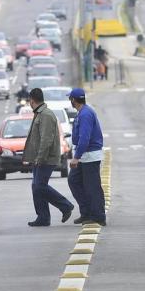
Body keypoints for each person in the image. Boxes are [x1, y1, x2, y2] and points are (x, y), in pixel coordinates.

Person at [22, 88, 74, 227]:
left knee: (39, 186)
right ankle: (43, 217)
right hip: (40, 157)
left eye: (29, 101)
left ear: (32, 100)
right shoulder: (40, 113)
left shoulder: (45, 115)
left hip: (46, 158)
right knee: (36, 186)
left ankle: (66, 206)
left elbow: (46, 139)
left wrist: (40, 157)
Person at [67, 88, 106, 226]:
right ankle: (87, 212)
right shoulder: (82, 113)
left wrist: (76, 157)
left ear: (73, 100)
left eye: (70, 99)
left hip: (89, 156)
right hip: (85, 155)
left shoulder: (85, 114)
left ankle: (99, 216)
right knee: (74, 181)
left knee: (92, 187)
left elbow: (85, 138)